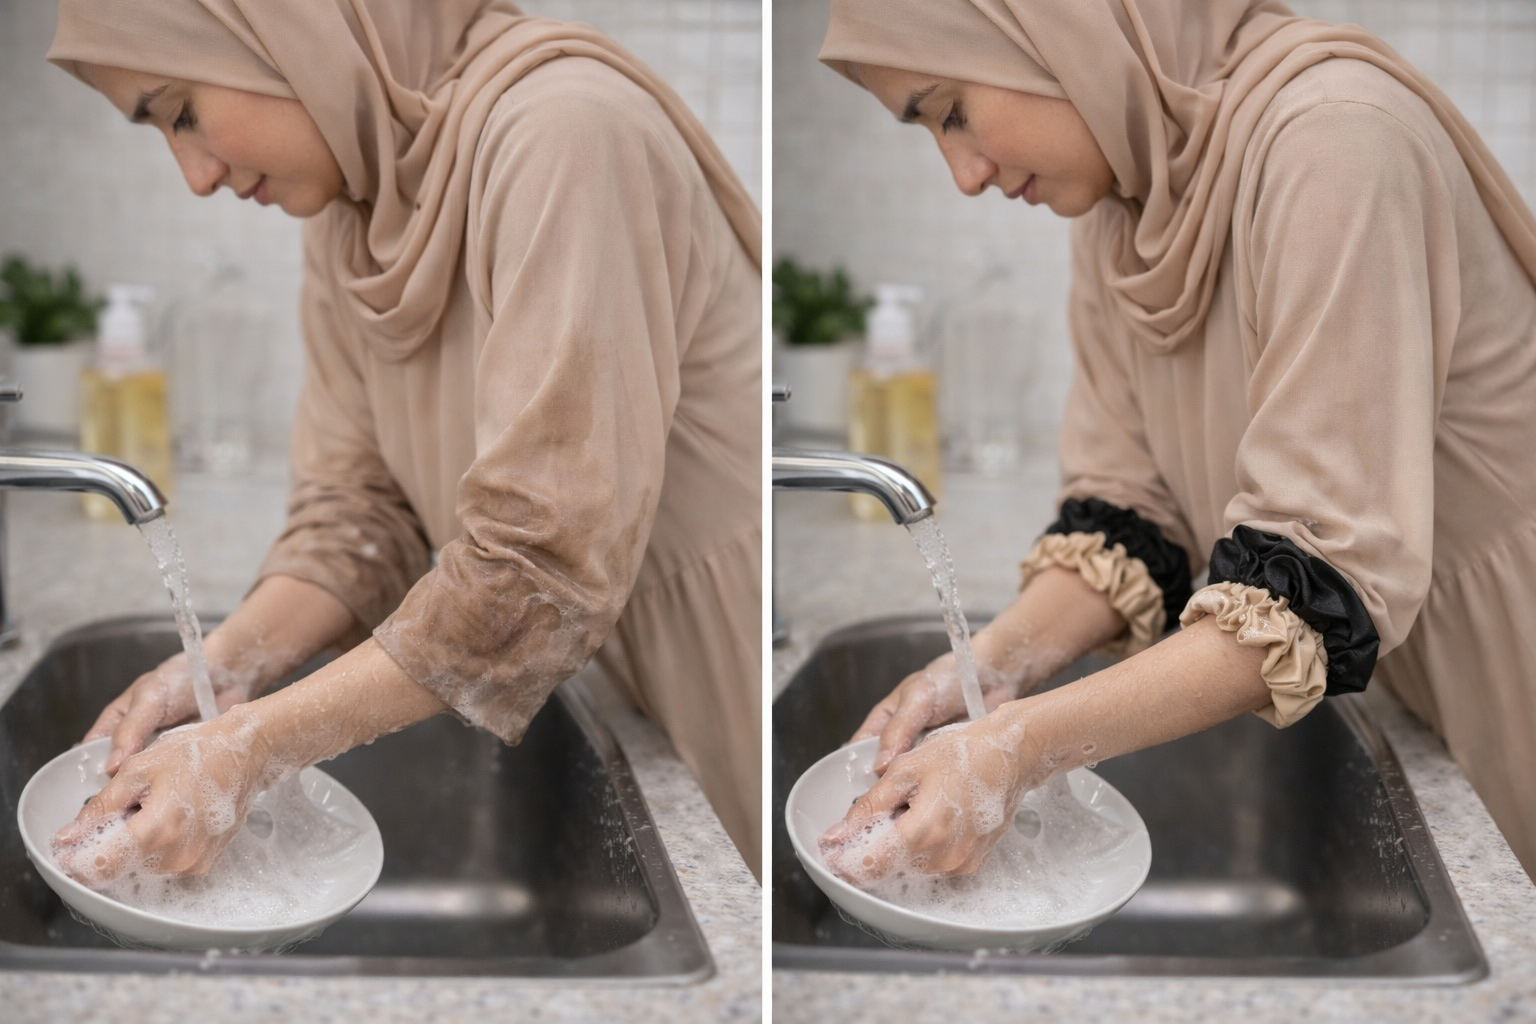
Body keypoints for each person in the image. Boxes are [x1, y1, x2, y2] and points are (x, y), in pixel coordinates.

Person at [814, 0, 1536, 885]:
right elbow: (1132, 516)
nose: (962, 173)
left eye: (951, 109)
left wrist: (1013, 748)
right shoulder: (1126, 198)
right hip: (1420, 681)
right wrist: (987, 672)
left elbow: (1316, 585)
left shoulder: (1337, 142)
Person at [48, 0, 763, 880]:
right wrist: (222, 668)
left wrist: (250, 746)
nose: (193, 173)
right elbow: (359, 512)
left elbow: (542, 565)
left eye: (181, 109)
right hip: (628, 680)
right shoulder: (354, 206)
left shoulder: (566, 133)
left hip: (728, 677)